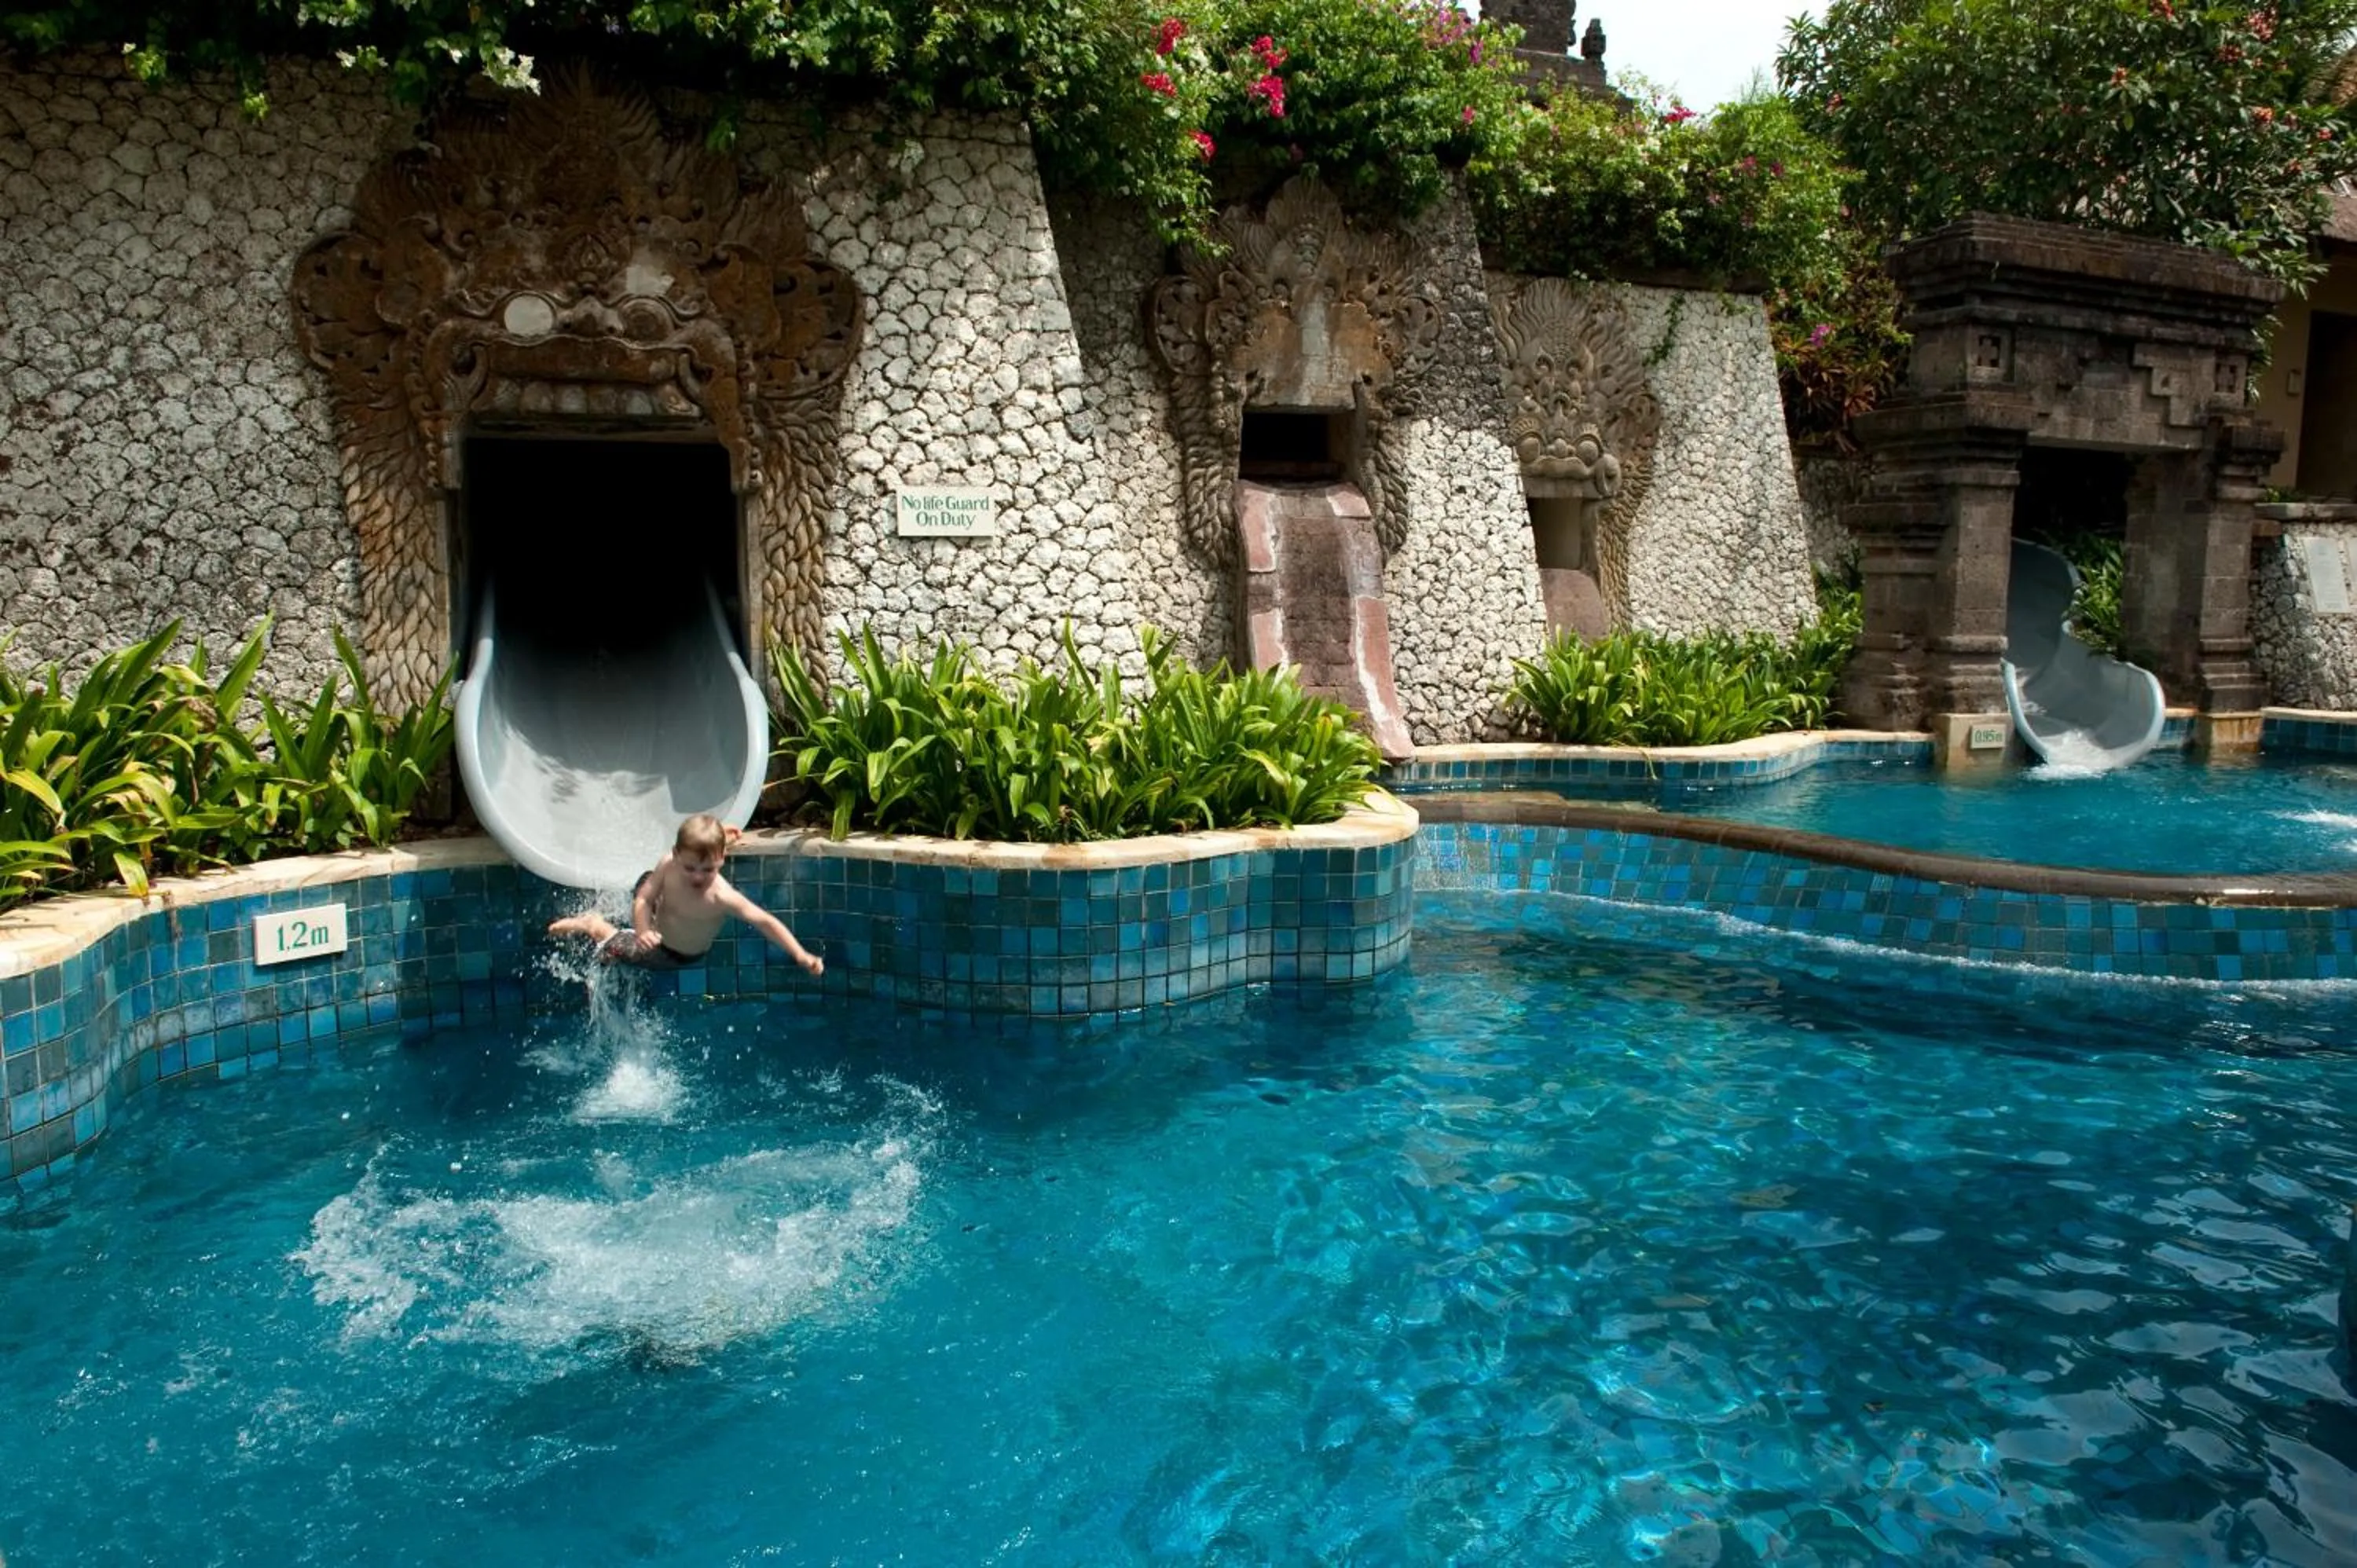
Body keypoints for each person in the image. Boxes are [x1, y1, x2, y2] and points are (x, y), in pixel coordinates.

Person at [548, 813, 824, 976]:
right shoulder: (668, 862)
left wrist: (800, 955)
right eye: (690, 867)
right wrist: (642, 931)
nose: (698, 877)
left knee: (644, 909)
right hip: (657, 927)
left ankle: (602, 926)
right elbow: (643, 898)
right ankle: (595, 925)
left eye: (709, 869)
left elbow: (766, 922)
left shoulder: (722, 897)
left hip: (674, 955)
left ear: (722, 859)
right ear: (677, 853)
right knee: (628, 927)